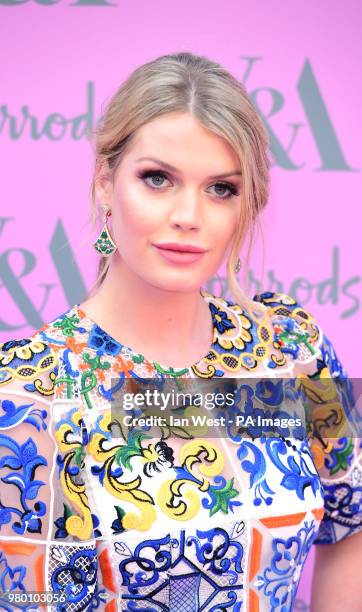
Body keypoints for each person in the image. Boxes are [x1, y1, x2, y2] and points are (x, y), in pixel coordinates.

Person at [0, 51, 360, 612]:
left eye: (221, 189)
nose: (189, 214)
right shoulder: (29, 392)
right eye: (158, 178)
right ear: (105, 183)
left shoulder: (292, 348)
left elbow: (351, 523)